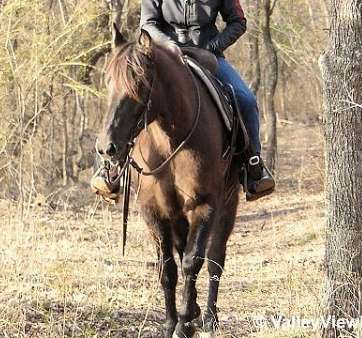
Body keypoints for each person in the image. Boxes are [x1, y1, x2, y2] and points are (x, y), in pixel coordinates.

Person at [92, 0, 275, 201]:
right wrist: (168, 44)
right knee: (127, 92)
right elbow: (148, 24)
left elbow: (238, 22)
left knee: (245, 99)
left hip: (207, 55)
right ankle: (110, 168)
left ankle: (252, 165)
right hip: (163, 56)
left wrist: (212, 46)